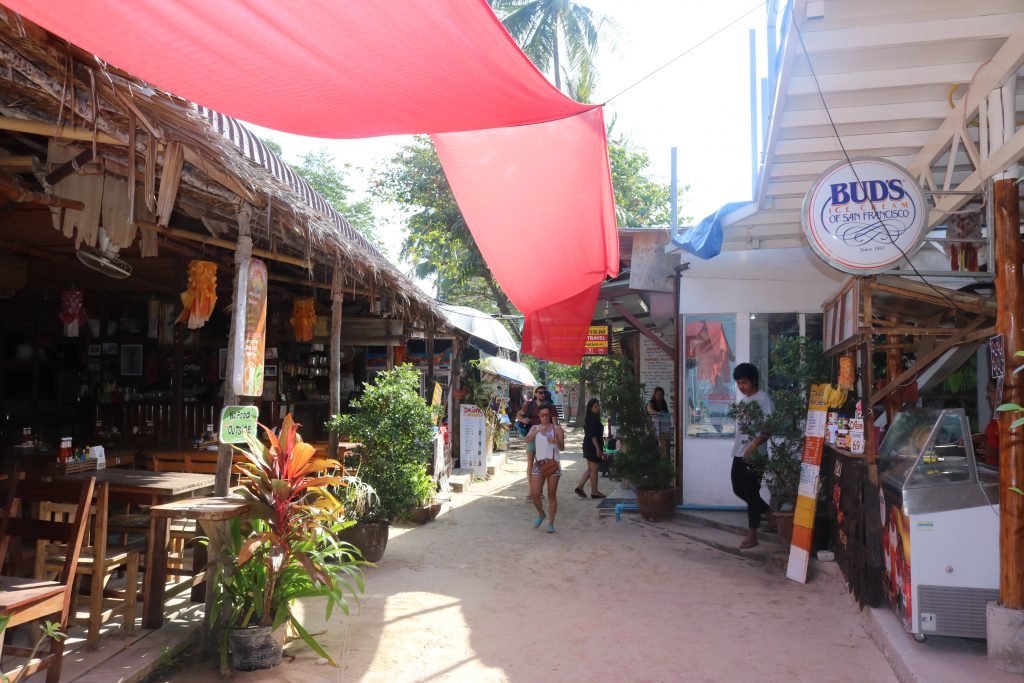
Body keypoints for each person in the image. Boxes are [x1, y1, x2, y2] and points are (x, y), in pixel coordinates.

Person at [730, 363, 773, 550]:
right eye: (739, 383)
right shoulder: (743, 400)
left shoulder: (763, 399)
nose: (741, 386)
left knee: (751, 492)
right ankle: (771, 515)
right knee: (738, 488)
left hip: (755, 454)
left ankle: (752, 534)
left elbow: (769, 427)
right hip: (740, 452)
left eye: (744, 382)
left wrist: (755, 444)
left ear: (753, 380)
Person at [526, 402, 564, 533]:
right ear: (539, 415)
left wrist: (556, 441)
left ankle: (551, 523)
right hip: (539, 464)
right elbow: (526, 439)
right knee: (535, 494)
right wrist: (538, 430)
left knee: (551, 494)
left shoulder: (556, 428)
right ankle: (541, 514)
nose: (545, 418)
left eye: (547, 415)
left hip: (553, 464)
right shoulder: (535, 427)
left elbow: (563, 447)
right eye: (542, 415)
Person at [575, 398, 607, 499]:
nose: (598, 408)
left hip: (588, 445)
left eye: (598, 406)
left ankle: (580, 487)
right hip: (593, 446)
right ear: (590, 408)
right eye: (595, 406)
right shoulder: (593, 419)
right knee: (594, 469)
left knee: (590, 469)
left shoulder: (590, 418)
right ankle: (594, 492)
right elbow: (593, 436)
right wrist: (598, 448)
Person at [973, 378, 1000, 467]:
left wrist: (993, 452)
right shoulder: (996, 416)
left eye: (990, 391)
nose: (987, 396)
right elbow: (994, 437)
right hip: (992, 470)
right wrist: (974, 438)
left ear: (1001, 392)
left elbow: (1017, 451)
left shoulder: (1012, 417)